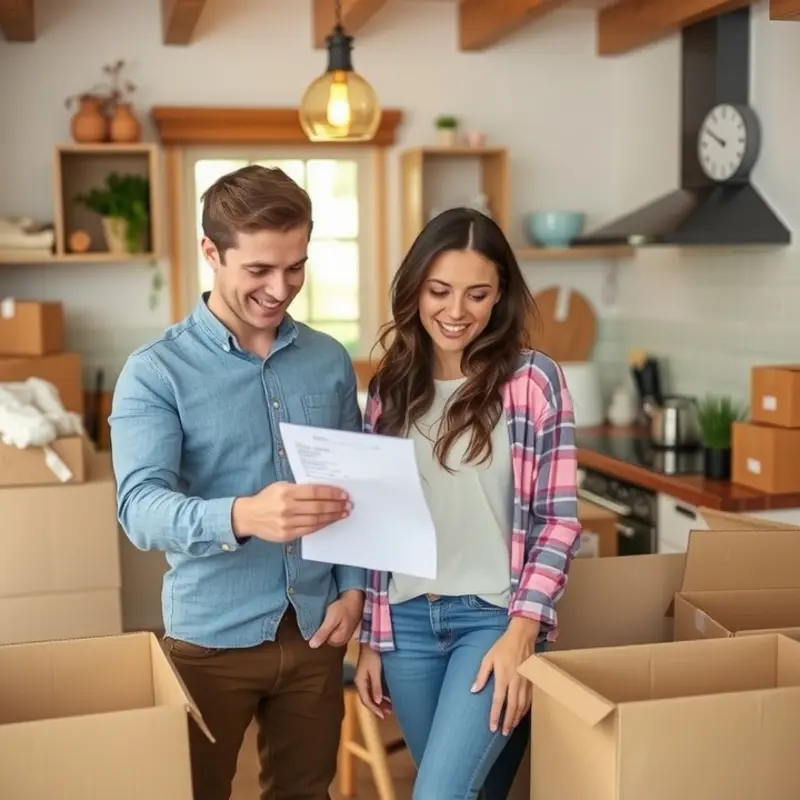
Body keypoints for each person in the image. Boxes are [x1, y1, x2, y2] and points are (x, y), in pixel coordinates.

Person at [109, 165, 365, 800]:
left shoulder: (328, 360)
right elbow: (138, 508)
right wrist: (244, 516)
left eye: (296, 267)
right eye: (258, 270)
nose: (281, 289)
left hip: (316, 630)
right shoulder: (155, 372)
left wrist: (355, 590)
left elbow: (358, 489)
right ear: (210, 253)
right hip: (209, 639)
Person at [353, 207, 581, 800]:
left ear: (500, 295)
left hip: (494, 622)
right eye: (439, 291)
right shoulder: (388, 390)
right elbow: (376, 523)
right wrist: (373, 638)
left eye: (477, 294)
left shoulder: (534, 382)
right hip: (406, 626)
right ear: (414, 290)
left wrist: (523, 631)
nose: (456, 312)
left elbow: (559, 522)